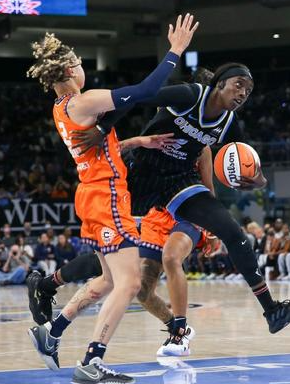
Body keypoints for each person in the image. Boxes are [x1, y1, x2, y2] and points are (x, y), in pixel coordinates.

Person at [25, 15, 198, 384]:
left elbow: (98, 149)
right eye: (82, 64)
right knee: (131, 283)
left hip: (92, 192)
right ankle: (92, 360)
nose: (84, 69)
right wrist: (175, 51)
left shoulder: (61, 108)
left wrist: (137, 142)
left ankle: (51, 333)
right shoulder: (82, 102)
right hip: (106, 196)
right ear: (71, 69)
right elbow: (146, 91)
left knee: (106, 280)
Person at [74, 62, 290, 334]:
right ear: (220, 83)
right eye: (239, 84)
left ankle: (272, 310)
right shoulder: (189, 95)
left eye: (249, 89)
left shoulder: (230, 123)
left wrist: (256, 181)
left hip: (180, 182)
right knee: (108, 257)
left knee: (233, 232)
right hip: (142, 175)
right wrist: (103, 129)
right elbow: (138, 96)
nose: (244, 92)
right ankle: (48, 284)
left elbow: (242, 166)